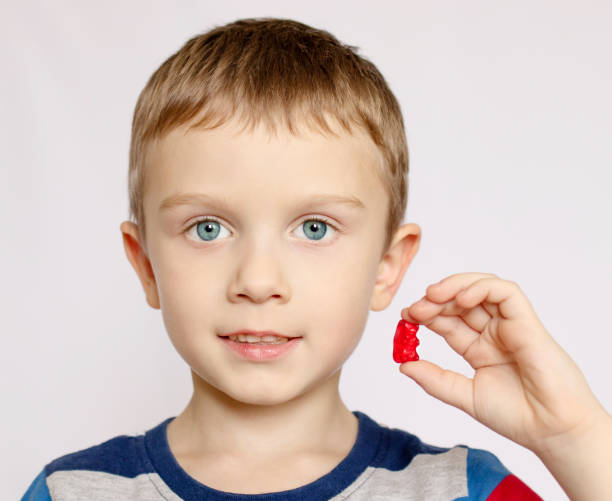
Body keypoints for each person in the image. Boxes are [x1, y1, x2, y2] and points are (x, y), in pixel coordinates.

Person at [21, 17, 611, 501]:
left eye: (313, 227)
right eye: (208, 228)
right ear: (146, 263)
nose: (258, 281)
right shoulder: (71, 491)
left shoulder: (459, 491)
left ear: (386, 265)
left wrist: (574, 436)